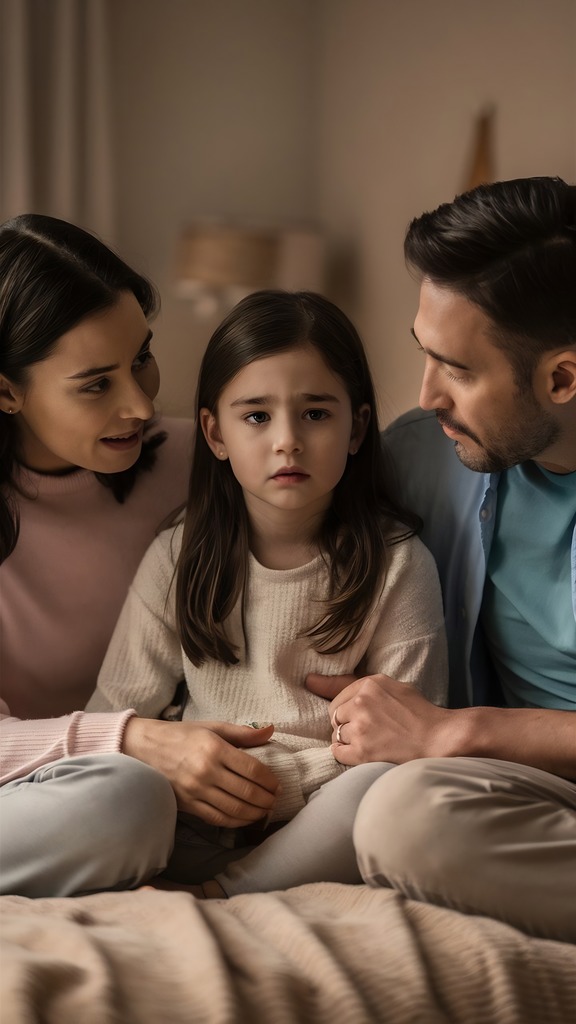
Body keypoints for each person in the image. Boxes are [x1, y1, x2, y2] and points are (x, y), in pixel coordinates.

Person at [87, 289, 448, 892]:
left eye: (315, 413)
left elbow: (405, 743)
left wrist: (285, 777)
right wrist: (183, 770)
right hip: (194, 810)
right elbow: (114, 717)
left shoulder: (398, 564)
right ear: (214, 432)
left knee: (385, 790)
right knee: (118, 784)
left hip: (322, 822)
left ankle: (232, 893)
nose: (287, 440)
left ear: (357, 427)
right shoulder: (177, 556)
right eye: (256, 416)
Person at [308, 176, 576, 943]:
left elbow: (449, 737)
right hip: (527, 800)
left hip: (495, 766)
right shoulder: (425, 454)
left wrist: (452, 733)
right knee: (404, 818)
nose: (427, 394)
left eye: (458, 369)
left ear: (561, 377)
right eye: (424, 357)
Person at [0, 214, 278, 897]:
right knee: (126, 803)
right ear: (6, 390)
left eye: (143, 358)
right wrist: (126, 740)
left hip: (163, 786)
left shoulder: (203, 458)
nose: (141, 403)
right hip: (48, 796)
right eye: (96, 384)